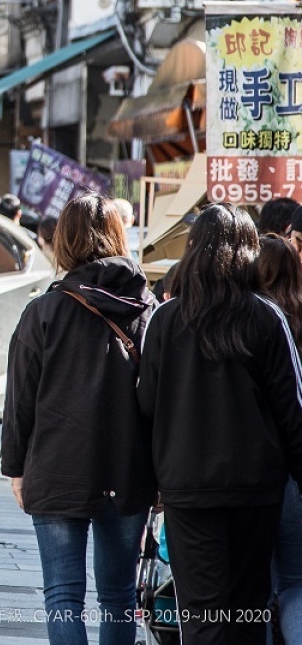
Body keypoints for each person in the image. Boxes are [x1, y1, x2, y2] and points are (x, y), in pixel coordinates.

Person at [139, 204, 302, 644]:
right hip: (256, 488)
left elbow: (147, 404)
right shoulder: (267, 317)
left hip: (187, 488)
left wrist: (149, 481)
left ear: (192, 252)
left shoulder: (166, 319)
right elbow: (293, 410)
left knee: (202, 614)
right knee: (248, 609)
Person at [3, 193, 157, 645]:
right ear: (118, 237)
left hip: (57, 467)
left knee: (63, 595)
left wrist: (15, 466)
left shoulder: (43, 312)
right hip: (129, 469)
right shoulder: (146, 312)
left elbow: (20, 400)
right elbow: (159, 399)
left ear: (64, 241)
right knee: (119, 595)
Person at [260, 235, 302, 642]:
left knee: (258, 585)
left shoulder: (251, 320)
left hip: (254, 467)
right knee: (294, 581)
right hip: (296, 469)